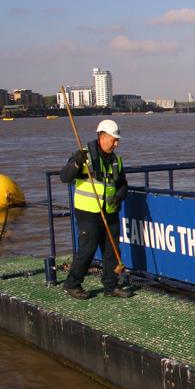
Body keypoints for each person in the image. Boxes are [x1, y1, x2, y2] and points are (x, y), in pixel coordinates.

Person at [59, 119, 133, 300]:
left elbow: (123, 185)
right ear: (102, 136)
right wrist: (76, 163)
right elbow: (64, 177)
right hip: (87, 211)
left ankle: (111, 286)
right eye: (114, 139)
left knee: (112, 250)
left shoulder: (117, 160)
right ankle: (72, 283)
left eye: (117, 140)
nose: (117, 143)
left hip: (109, 210)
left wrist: (119, 197)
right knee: (88, 248)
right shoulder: (83, 156)